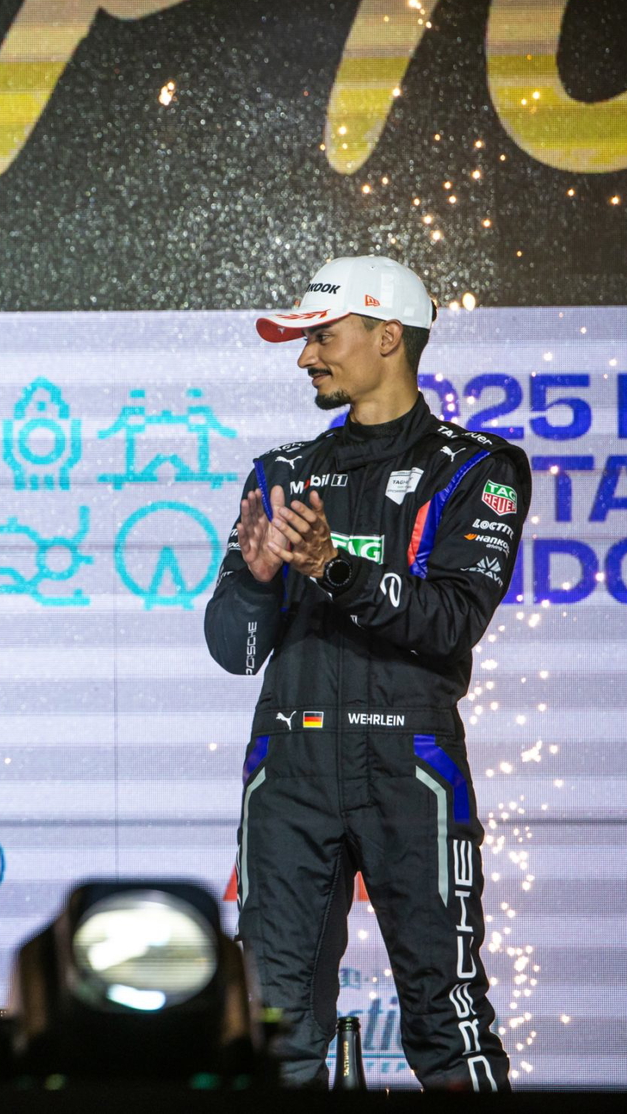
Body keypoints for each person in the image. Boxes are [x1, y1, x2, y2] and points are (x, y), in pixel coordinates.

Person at [204, 255, 529, 1089]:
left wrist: (333, 569)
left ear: (389, 337)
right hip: (288, 776)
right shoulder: (278, 472)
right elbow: (236, 652)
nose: (305, 357)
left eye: (322, 336)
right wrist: (260, 583)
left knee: (447, 1020)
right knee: (271, 1033)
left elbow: (453, 620)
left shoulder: (479, 468)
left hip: (410, 771)